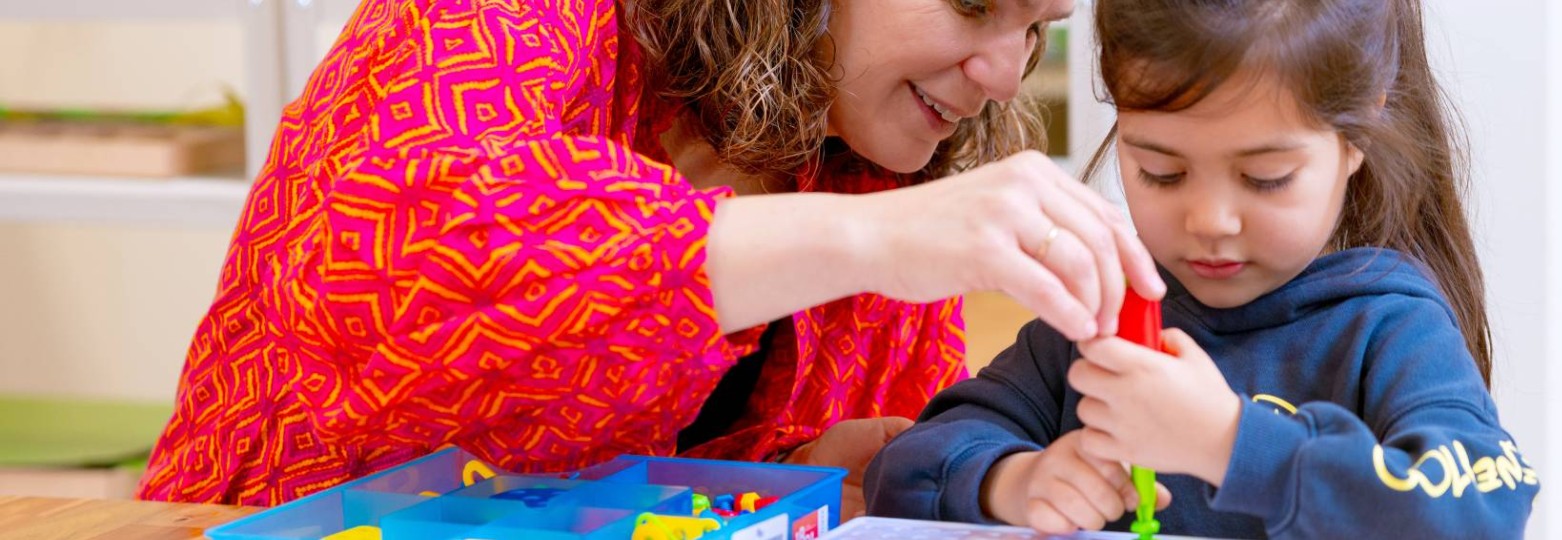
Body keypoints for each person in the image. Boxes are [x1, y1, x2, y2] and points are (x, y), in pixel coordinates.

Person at [137, 0, 1165, 514]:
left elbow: (681, 479)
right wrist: (869, 244)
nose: (1001, 74)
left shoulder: (873, 161)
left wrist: (830, 472)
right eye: (974, 3)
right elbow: (404, 253)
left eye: (1037, 28)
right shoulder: (514, 18)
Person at [864, 0, 1539, 536]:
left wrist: (1229, 443)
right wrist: (1014, 482)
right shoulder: (1107, 318)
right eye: (1162, 171)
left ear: (1356, 134)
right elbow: (905, 466)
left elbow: (1482, 511)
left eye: (1265, 177)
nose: (1209, 220)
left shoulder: (1390, 327)